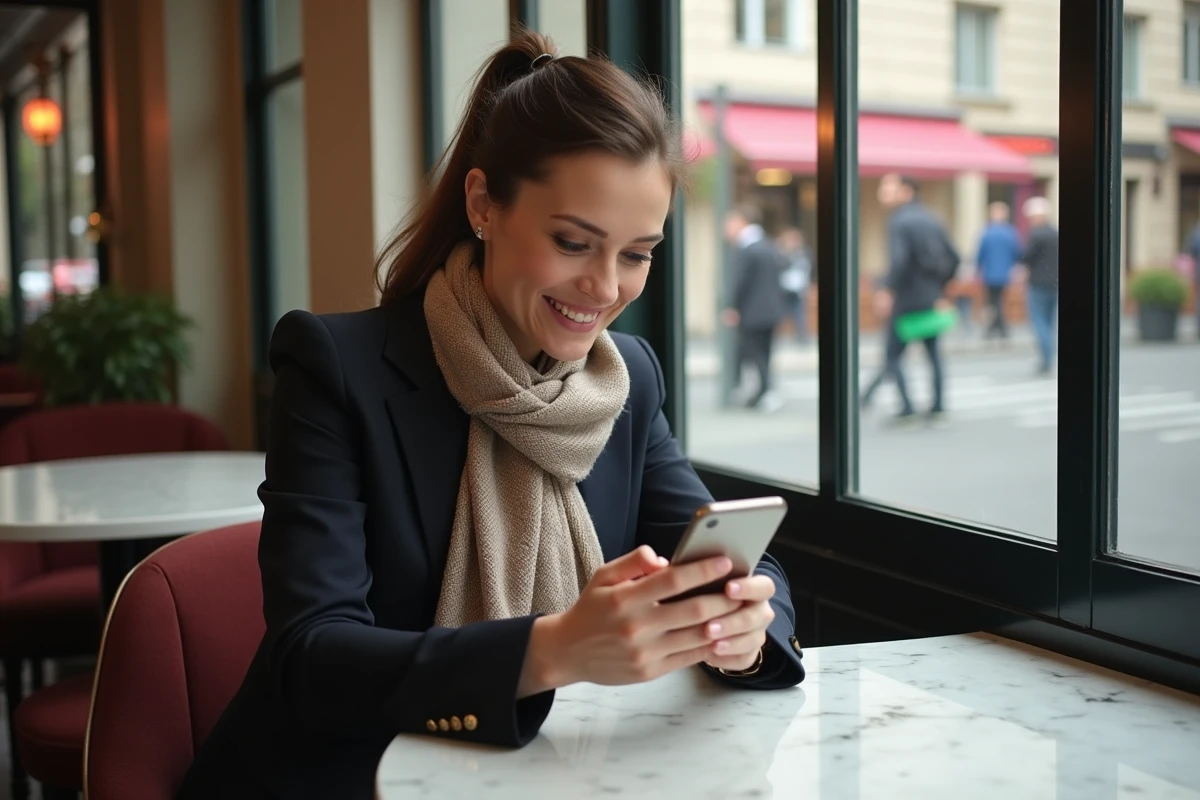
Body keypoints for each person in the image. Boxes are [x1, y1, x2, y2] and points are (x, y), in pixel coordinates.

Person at [177, 31, 805, 800]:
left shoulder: (626, 380)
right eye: (574, 242)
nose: (605, 288)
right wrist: (552, 651)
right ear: (483, 204)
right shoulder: (335, 367)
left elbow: (739, 562)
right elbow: (313, 661)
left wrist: (741, 633)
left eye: (638, 253)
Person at [861, 173, 959, 421]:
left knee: (892, 355)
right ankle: (937, 406)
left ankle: (906, 408)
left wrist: (887, 289)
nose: (882, 193)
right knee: (933, 353)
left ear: (906, 191)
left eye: (888, 188)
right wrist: (940, 288)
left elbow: (899, 261)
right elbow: (954, 258)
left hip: (906, 299)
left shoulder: (899, 221)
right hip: (930, 297)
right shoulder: (932, 218)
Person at [722, 204, 787, 412]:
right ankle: (762, 392)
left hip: (753, 311)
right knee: (764, 353)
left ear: (742, 222)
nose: (727, 229)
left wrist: (732, 306)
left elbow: (740, 281)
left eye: (730, 223)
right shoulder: (768, 245)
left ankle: (768, 391)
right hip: (772, 310)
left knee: (756, 354)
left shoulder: (746, 248)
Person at [1021, 196, 1060, 375]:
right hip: (1055, 283)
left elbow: (1026, 257)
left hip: (1038, 284)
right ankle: (1049, 356)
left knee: (1039, 322)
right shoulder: (1056, 233)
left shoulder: (1036, 235)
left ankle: (1046, 359)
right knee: (1050, 323)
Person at [976, 201, 1021, 340]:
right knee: (998, 300)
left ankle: (997, 328)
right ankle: (998, 328)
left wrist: (978, 269)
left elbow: (980, 255)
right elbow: (1017, 254)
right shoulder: (1011, 233)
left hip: (990, 274)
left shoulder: (986, 232)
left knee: (993, 301)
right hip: (1005, 274)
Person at [776, 226, 813, 344]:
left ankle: (801, 336)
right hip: (784, 287)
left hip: (798, 288)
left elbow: (808, 269)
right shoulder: (781, 253)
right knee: (780, 312)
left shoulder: (803, 253)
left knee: (799, 313)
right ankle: (778, 336)